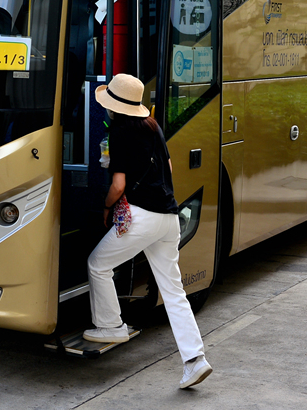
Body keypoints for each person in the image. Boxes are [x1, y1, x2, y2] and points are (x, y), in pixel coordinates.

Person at [84, 73, 213, 389]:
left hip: (141, 218)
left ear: (113, 107)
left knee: (97, 264)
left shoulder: (119, 132)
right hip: (169, 217)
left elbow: (118, 185)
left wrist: (106, 206)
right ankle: (195, 360)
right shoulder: (153, 127)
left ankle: (111, 325)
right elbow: (168, 169)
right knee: (173, 291)